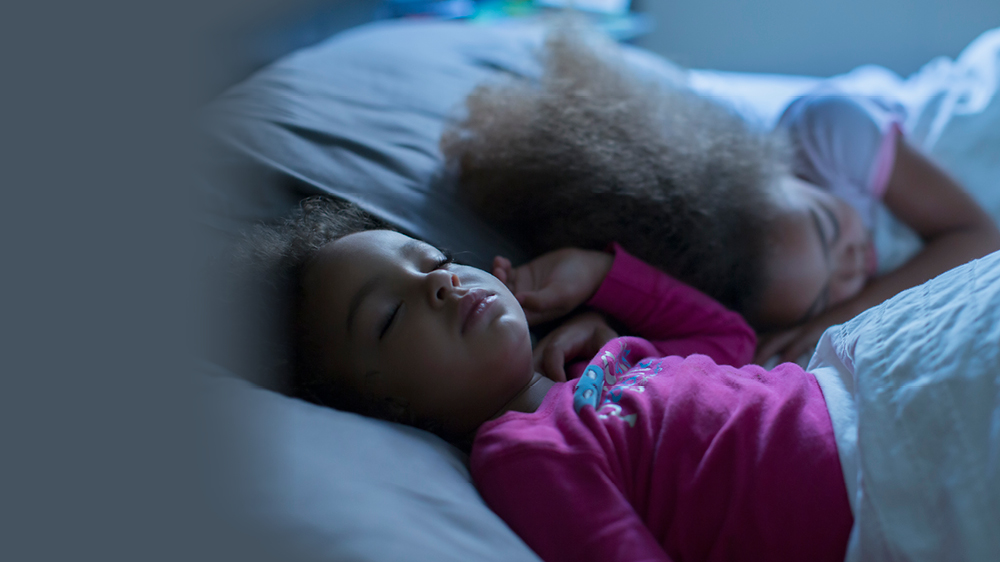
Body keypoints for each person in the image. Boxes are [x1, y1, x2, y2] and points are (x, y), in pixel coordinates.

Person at [238, 196, 854, 561]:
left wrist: (601, 278)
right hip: (857, 484)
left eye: (438, 262)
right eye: (391, 314)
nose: (440, 283)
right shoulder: (522, 452)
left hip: (852, 400)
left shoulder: (599, 359)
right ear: (386, 404)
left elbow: (731, 341)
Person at [440, 25, 1000, 365]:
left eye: (829, 225)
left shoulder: (828, 131)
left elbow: (979, 236)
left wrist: (848, 309)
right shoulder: (757, 311)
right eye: (825, 292)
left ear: (782, 169)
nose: (856, 261)